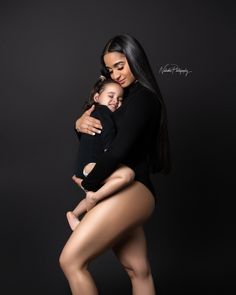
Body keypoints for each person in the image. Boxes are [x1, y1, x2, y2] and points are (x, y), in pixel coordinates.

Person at [59, 34, 171, 295]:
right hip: (129, 191)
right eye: (110, 69)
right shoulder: (121, 97)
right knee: (138, 270)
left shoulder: (143, 99)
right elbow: (101, 138)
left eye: (120, 66)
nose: (116, 74)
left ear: (135, 59)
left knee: (71, 261)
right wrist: (78, 125)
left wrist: (88, 182)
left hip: (132, 189)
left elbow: (117, 150)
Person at [67, 77, 135, 230]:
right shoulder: (104, 112)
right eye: (110, 96)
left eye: (120, 99)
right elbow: (109, 132)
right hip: (91, 164)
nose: (115, 101)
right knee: (127, 175)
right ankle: (92, 202)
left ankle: (74, 214)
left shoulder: (91, 114)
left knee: (96, 192)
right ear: (97, 97)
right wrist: (111, 149)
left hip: (83, 166)